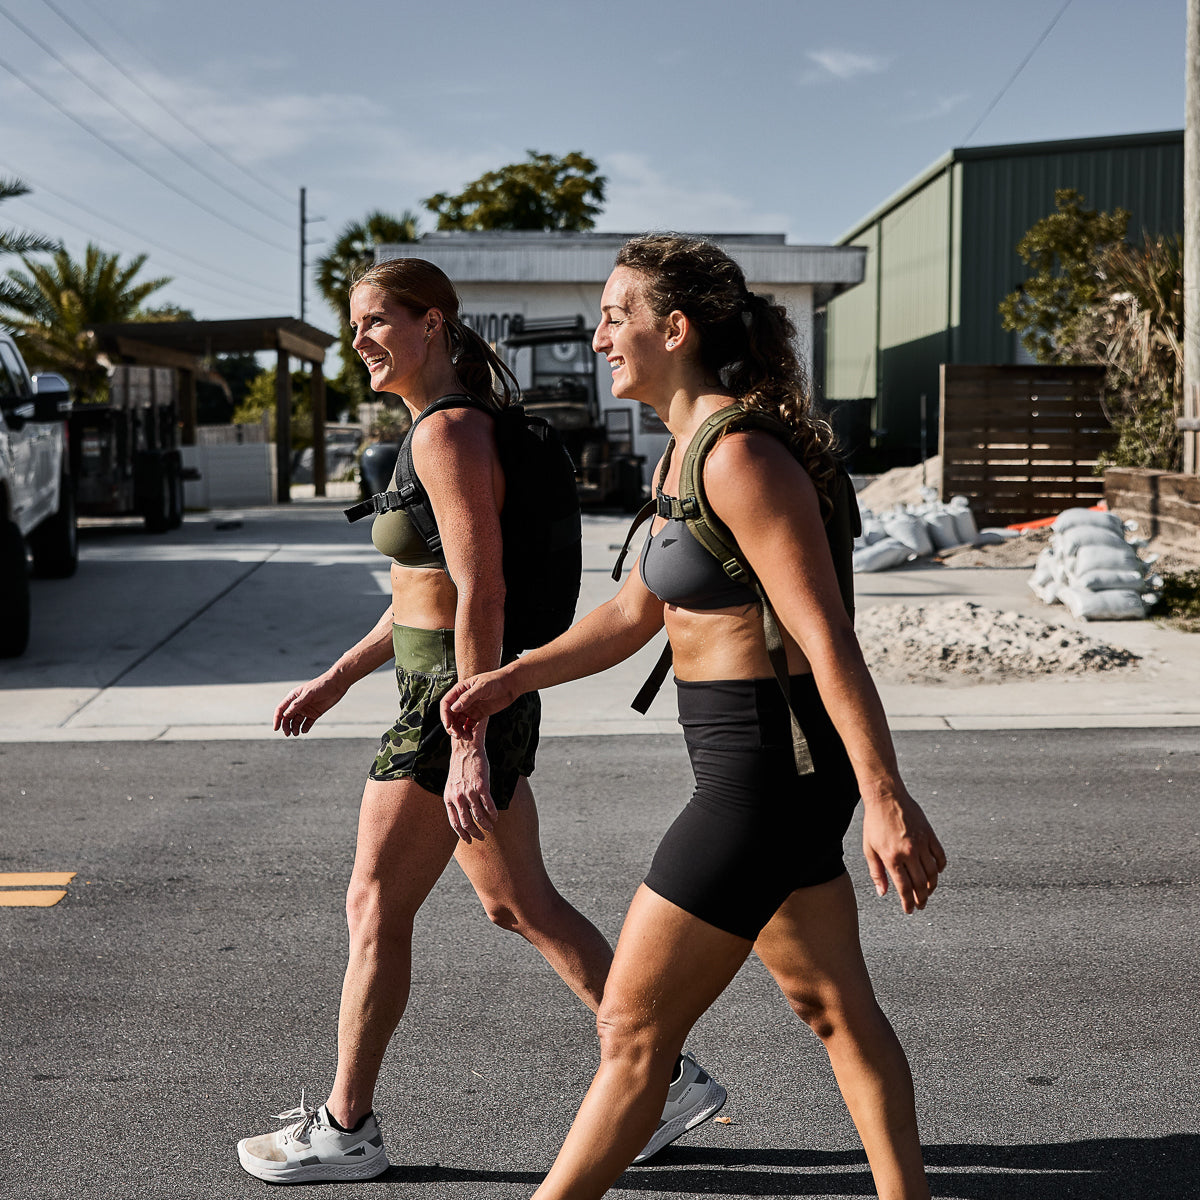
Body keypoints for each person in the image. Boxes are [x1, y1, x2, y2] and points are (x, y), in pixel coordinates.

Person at [443, 234, 948, 1200]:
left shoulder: (742, 457)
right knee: (835, 1008)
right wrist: (513, 677)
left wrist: (886, 796)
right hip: (757, 769)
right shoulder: (685, 451)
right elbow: (638, 612)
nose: (597, 340)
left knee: (633, 1031)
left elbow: (829, 641)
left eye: (613, 316)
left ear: (674, 330)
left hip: (766, 774)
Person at [236, 257, 723, 1185]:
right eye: (352, 325)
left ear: (433, 323)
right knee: (518, 904)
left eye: (377, 320)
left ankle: (346, 1126)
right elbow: (426, 594)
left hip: (451, 706)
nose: (360, 340)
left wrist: (464, 739)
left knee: (375, 904)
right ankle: (663, 1077)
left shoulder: (449, 433)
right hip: (472, 694)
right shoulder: (443, 428)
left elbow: (483, 589)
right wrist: (339, 676)